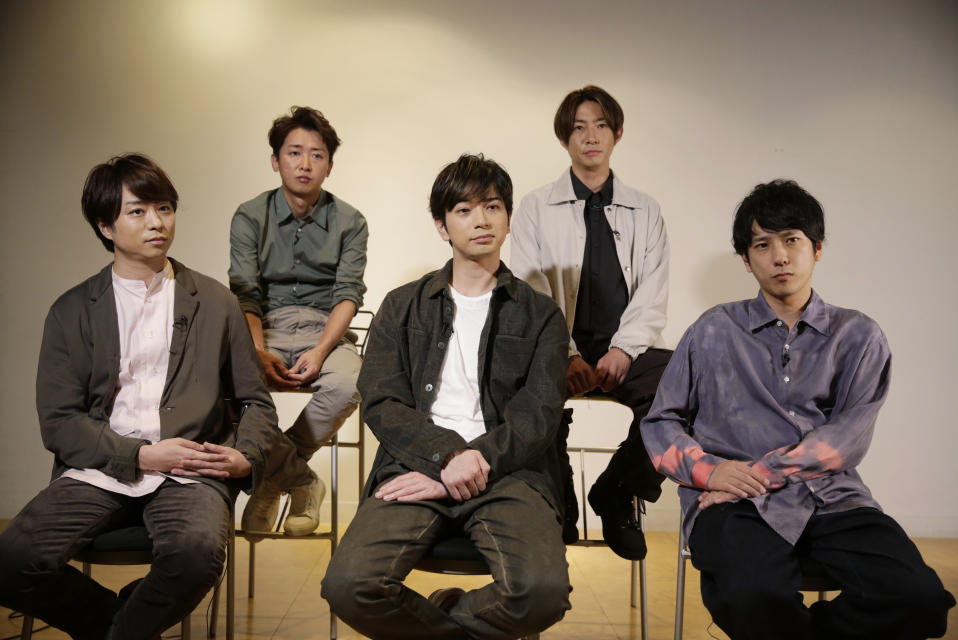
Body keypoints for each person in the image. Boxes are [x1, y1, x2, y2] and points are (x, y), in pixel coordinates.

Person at [0, 153, 306, 639]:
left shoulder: (215, 301)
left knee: (196, 555)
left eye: (164, 208)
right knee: (12, 560)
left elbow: (256, 402)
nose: (156, 223)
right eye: (137, 212)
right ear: (106, 226)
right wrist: (140, 454)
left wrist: (244, 458)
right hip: (98, 469)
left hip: (190, 469)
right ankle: (122, 626)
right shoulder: (72, 309)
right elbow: (59, 421)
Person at [641, 179, 955, 639]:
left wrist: (762, 473)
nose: (780, 256)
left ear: (817, 249)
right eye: (763, 245)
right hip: (733, 505)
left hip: (832, 498)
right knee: (751, 596)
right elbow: (660, 422)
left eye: (792, 240)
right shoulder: (713, 331)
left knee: (921, 599)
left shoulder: (859, 336)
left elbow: (848, 436)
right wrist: (712, 472)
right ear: (746, 262)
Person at [322, 154, 572, 639]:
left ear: (507, 216)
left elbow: (538, 416)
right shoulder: (401, 306)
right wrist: (445, 458)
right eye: (463, 210)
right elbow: (381, 401)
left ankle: (443, 618)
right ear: (441, 226)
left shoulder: (541, 315)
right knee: (349, 586)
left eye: (493, 207)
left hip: (510, 470)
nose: (481, 220)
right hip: (416, 465)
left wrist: (468, 463)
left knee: (541, 592)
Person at [510, 84, 670, 559]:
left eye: (601, 125)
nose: (591, 136)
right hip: (557, 352)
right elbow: (529, 291)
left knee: (689, 386)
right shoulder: (536, 208)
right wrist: (566, 354)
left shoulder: (647, 209)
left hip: (627, 352)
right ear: (565, 139)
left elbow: (653, 292)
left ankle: (618, 490)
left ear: (617, 133)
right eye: (579, 127)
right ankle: (556, 496)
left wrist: (623, 349)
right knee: (517, 390)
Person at [229, 106, 369, 535]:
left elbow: (349, 293)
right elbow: (245, 292)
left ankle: (272, 481)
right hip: (262, 328)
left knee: (351, 382)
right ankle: (302, 481)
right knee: (220, 387)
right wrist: (256, 350)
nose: (305, 164)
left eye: (317, 154)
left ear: (329, 164)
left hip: (323, 329)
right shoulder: (250, 216)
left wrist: (321, 348)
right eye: (294, 153)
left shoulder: (351, 221)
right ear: (276, 160)